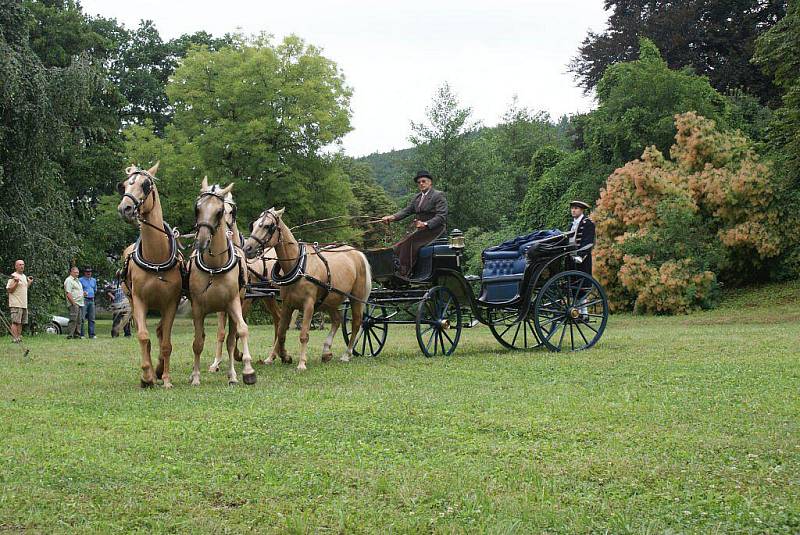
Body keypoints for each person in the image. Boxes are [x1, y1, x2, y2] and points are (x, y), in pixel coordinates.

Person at [381, 170, 448, 278]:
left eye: (423, 181)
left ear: (430, 182)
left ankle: (404, 271)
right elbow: (407, 211)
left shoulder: (438, 195)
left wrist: (426, 224)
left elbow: (441, 216)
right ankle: (395, 268)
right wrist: (392, 217)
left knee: (409, 242)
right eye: (419, 182)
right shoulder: (417, 198)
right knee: (398, 245)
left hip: (435, 230)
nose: (421, 184)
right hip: (421, 230)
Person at [565, 200, 595, 275]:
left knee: (582, 282)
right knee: (571, 282)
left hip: (582, 259)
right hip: (570, 258)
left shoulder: (588, 223)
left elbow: (588, 242)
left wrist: (581, 256)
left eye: (576, 208)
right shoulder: (571, 225)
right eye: (572, 208)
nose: (573, 210)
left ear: (582, 210)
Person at [5, 260, 33, 343]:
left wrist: (29, 283)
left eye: (23, 264)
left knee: (21, 322)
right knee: (15, 322)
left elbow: (24, 288)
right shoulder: (13, 276)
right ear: (16, 266)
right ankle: (14, 338)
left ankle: (18, 338)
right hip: (16, 303)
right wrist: (16, 283)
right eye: (20, 265)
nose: (22, 266)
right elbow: (9, 290)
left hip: (23, 303)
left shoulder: (24, 276)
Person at [64, 266, 84, 339]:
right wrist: (73, 303)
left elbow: (76, 291)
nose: (77, 274)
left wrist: (83, 294)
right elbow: (68, 293)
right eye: (75, 272)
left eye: (78, 272)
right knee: (73, 319)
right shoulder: (69, 280)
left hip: (79, 303)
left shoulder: (77, 280)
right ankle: (70, 335)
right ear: (71, 272)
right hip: (74, 303)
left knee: (79, 320)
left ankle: (77, 335)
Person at [79, 267, 97, 339]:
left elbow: (95, 289)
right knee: (82, 318)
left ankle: (92, 334)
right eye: (87, 272)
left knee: (92, 318)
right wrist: (82, 293)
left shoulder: (94, 280)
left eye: (90, 272)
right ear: (84, 272)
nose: (88, 273)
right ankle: (81, 334)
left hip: (91, 300)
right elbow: (78, 289)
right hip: (84, 300)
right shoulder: (80, 280)